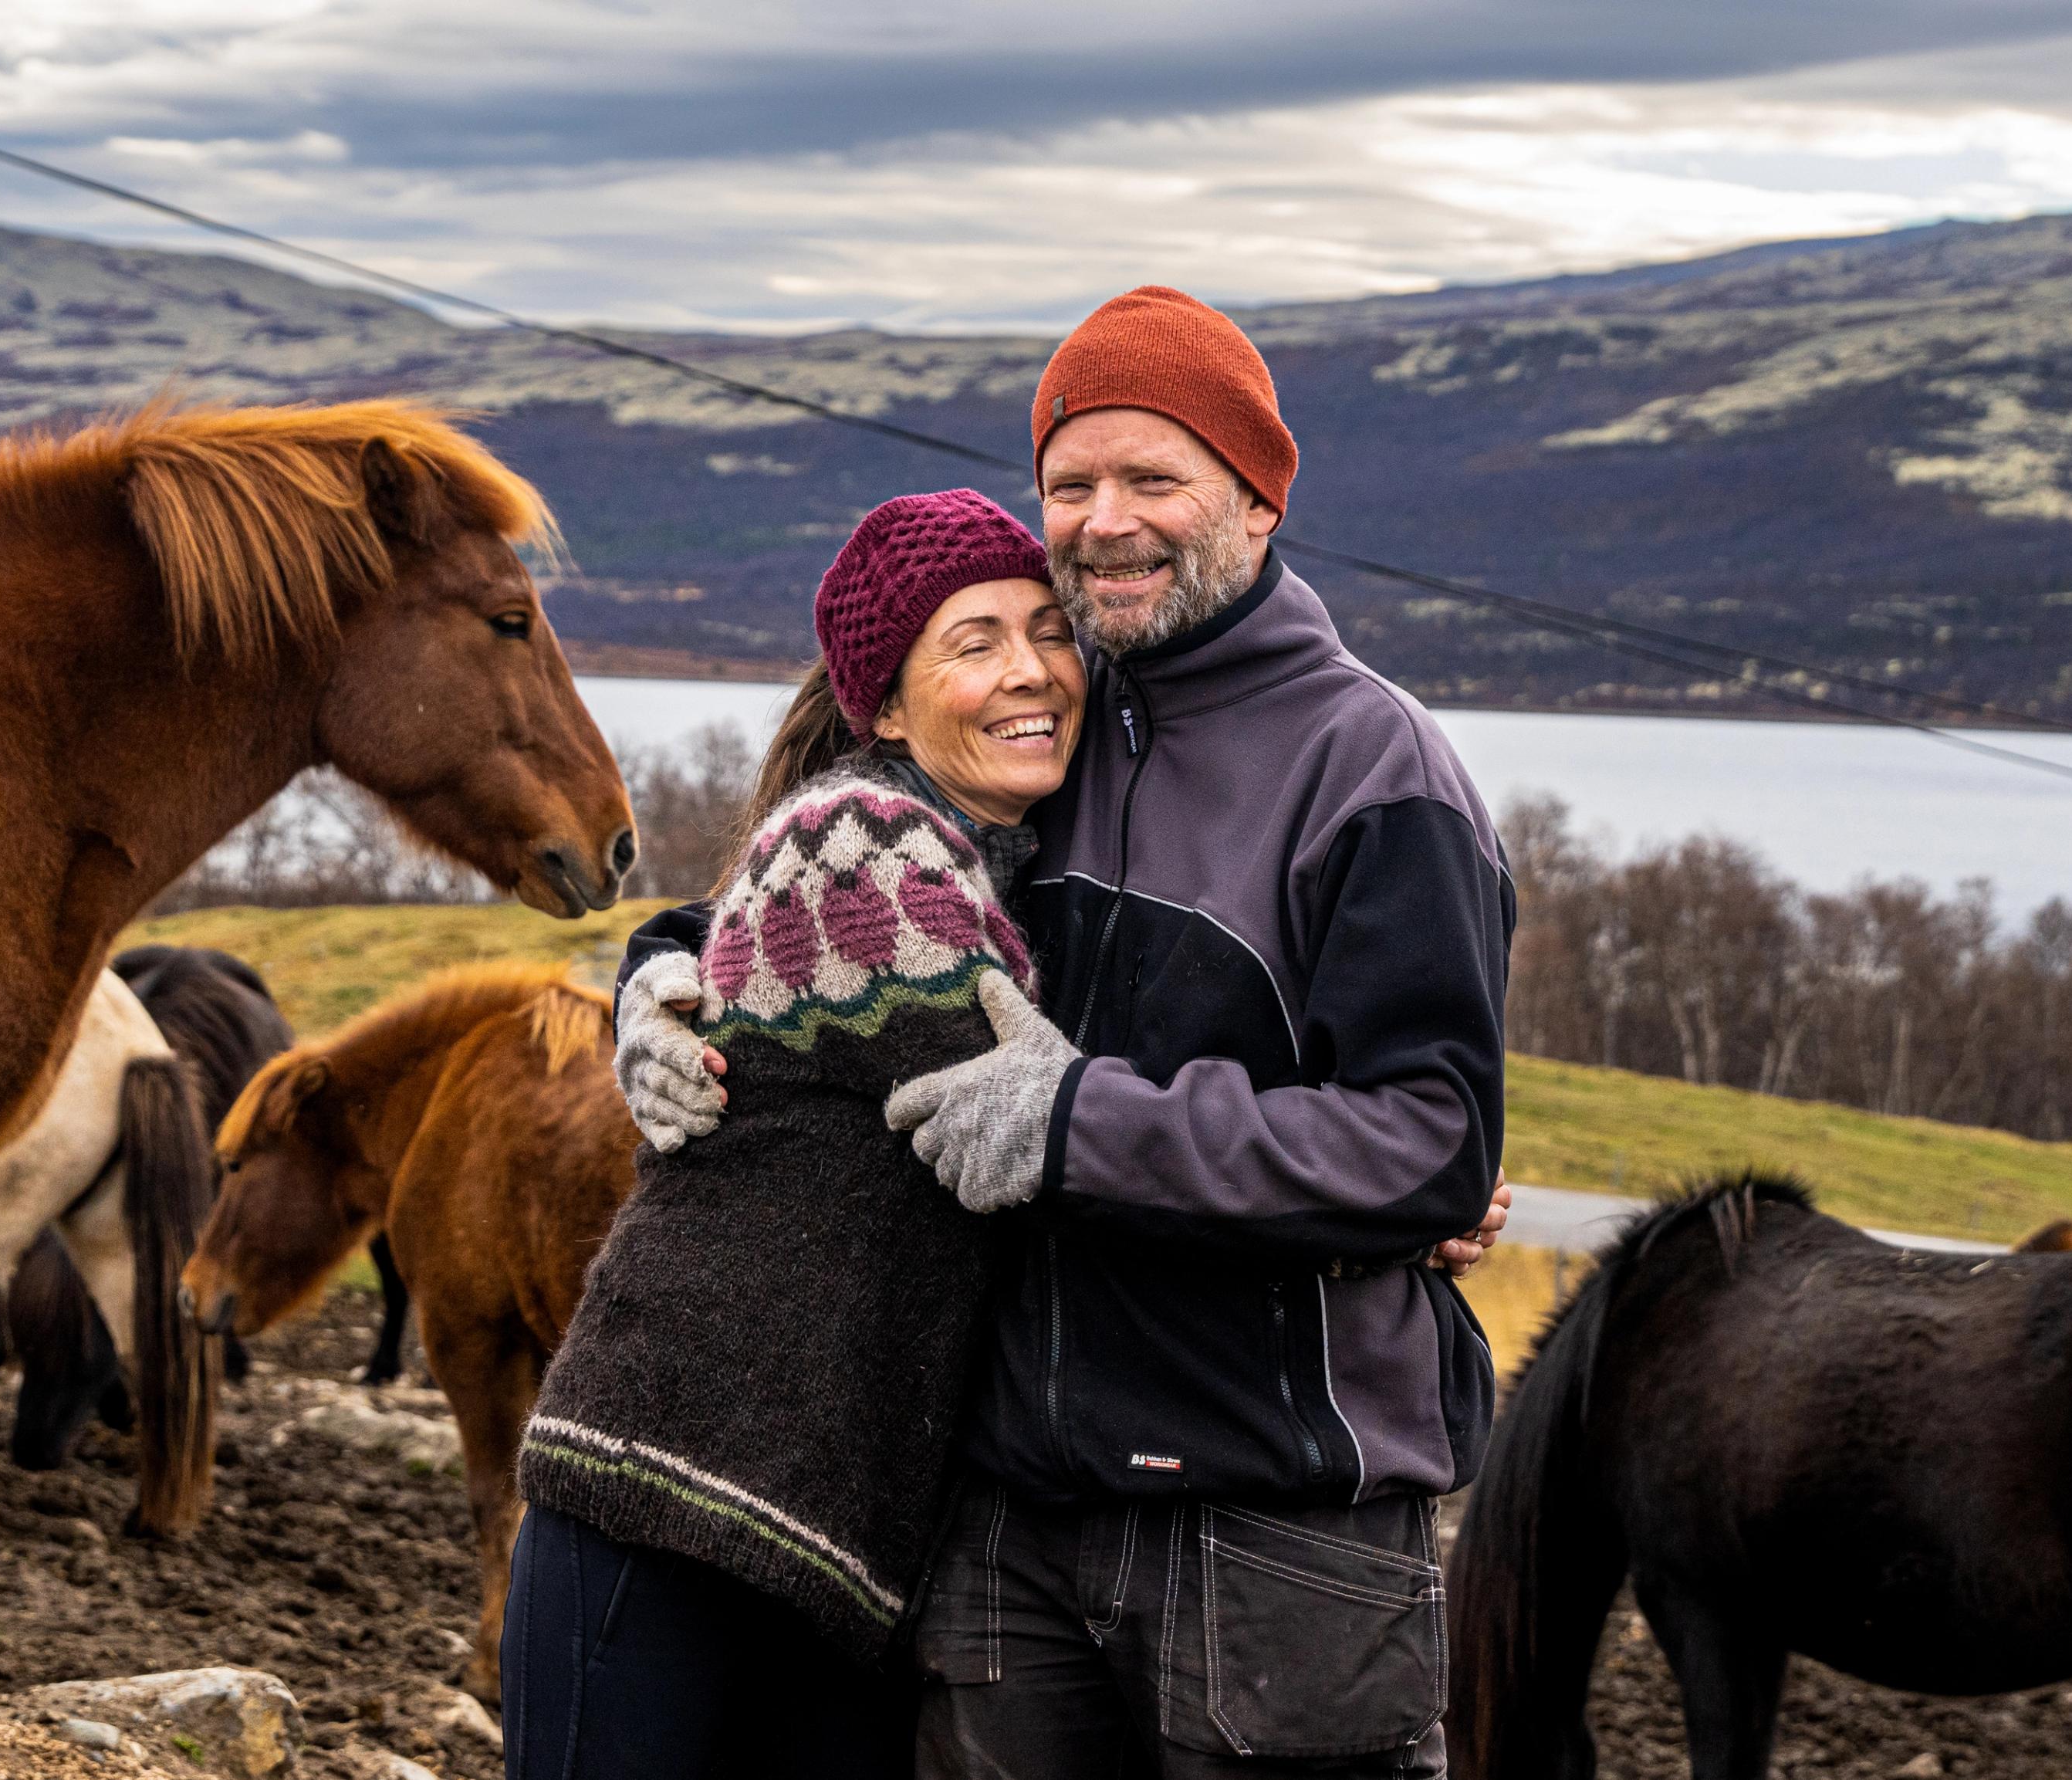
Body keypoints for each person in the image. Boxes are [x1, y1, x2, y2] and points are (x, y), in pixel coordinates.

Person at [616, 286, 1516, 1778]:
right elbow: (820, 872)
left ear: (1256, 492)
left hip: (1274, 1537)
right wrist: (661, 976)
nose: (1105, 521)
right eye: (1071, 484)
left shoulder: (1376, 768)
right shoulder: (1044, 716)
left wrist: (1076, 1122)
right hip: (1002, 1532)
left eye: (1153, 477)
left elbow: (1426, 1142)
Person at [502, 489, 1084, 1778]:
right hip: (665, 1502)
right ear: (882, 704)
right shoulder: (865, 842)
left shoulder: (990, 853)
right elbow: (1046, 1140)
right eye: (975, 640)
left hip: (818, 1543)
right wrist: (1350, 1192)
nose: (1030, 669)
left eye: (1048, 630)